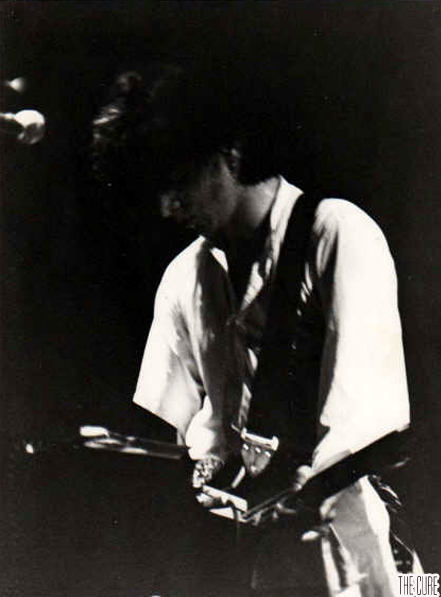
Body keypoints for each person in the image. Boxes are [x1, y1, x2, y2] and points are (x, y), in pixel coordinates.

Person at [93, 65, 421, 597]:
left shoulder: (335, 234)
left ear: (230, 154)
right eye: (155, 190)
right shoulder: (183, 277)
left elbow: (370, 433)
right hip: (234, 560)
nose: (167, 207)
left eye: (178, 180)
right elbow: (169, 435)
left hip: (349, 558)